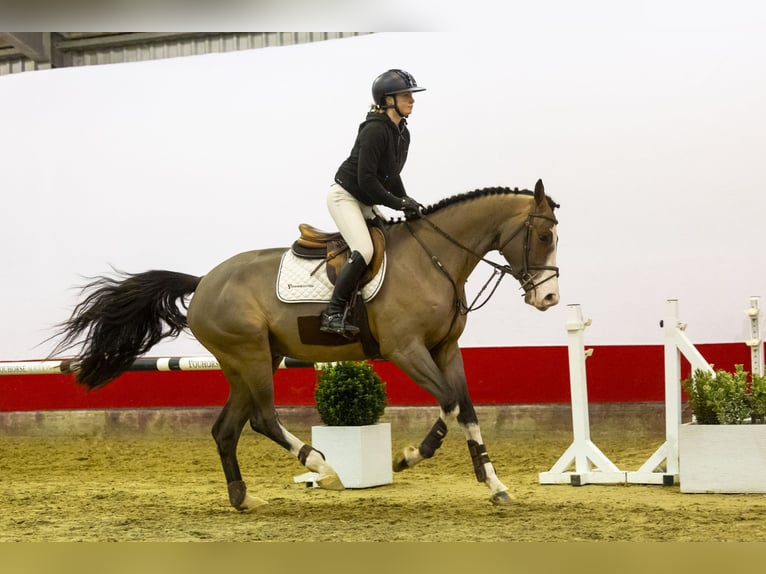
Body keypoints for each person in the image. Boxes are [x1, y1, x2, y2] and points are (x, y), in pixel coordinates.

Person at [320, 69, 426, 338]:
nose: (412, 100)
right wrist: (398, 203)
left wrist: (407, 200)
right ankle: (332, 313)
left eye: (411, 96)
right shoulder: (375, 130)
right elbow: (366, 181)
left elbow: (391, 175)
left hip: (364, 199)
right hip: (345, 197)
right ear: (388, 99)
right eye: (406, 96)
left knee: (391, 241)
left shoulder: (402, 132)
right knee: (364, 249)